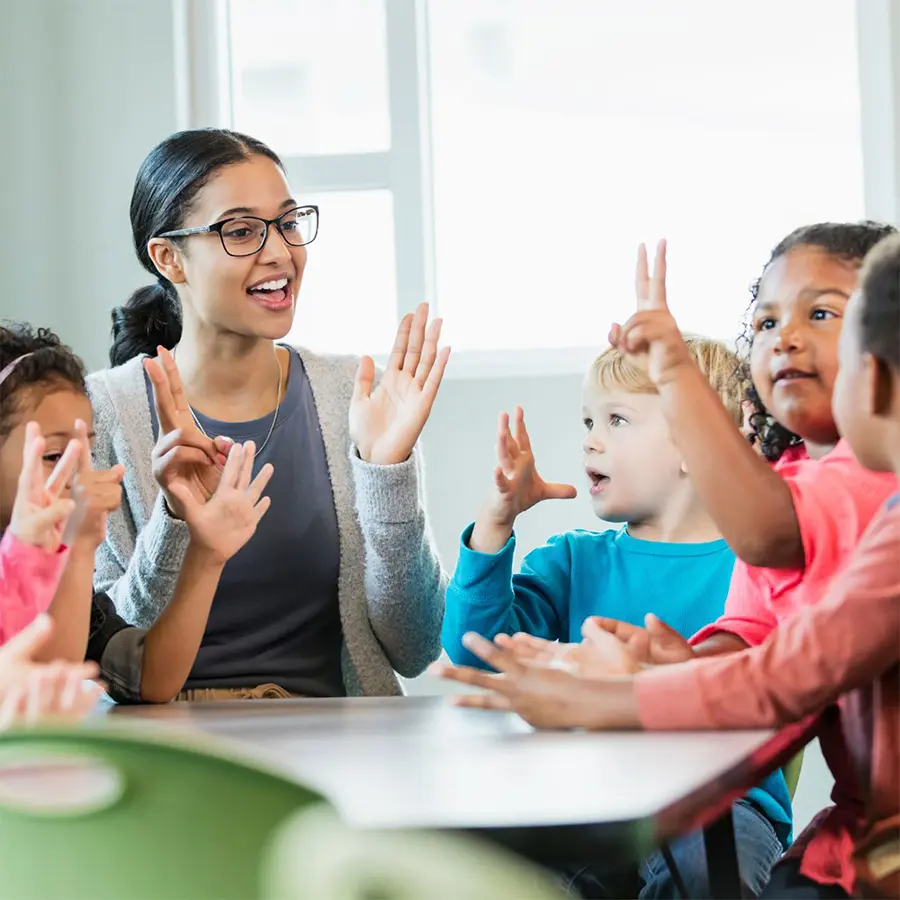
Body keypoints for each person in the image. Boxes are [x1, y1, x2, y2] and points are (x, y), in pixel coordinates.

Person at [432, 229, 900, 900]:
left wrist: (616, 695)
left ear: (873, 373)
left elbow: (784, 674)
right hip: (598, 793)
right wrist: (675, 662)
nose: (785, 339)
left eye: (618, 420)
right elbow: (751, 643)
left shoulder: (837, 502)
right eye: (765, 321)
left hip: (788, 821)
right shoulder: (577, 557)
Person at [88, 128, 448, 699]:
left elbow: (415, 646)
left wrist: (388, 476)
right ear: (169, 258)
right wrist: (176, 523)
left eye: (287, 222)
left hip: (343, 749)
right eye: (241, 231)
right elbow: (108, 662)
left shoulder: (349, 395)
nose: (279, 252)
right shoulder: (102, 414)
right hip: (179, 756)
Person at [441, 338, 790, 898]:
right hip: (584, 796)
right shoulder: (573, 558)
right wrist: (495, 520)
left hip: (722, 802)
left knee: (711, 874)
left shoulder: (756, 569)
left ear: (692, 444)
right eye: (588, 421)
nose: (590, 440)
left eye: (616, 419)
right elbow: (474, 650)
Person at [0, 323, 276, 702]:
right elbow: (40, 687)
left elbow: (150, 679)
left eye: (87, 453)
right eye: (53, 456)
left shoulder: (60, 559)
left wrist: (206, 554)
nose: (79, 476)